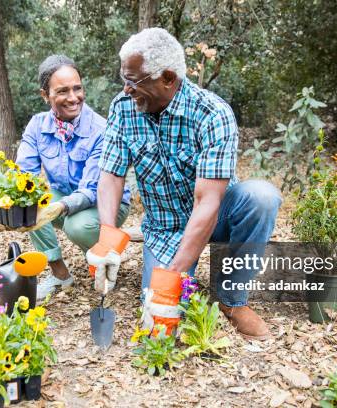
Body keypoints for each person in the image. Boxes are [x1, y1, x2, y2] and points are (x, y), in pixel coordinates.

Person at [85, 29, 281, 339]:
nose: (126, 89)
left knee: (262, 197)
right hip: (165, 227)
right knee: (161, 326)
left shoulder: (212, 113)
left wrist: (173, 276)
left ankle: (231, 300)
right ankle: (175, 285)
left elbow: (208, 203)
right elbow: (111, 174)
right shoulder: (123, 107)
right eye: (124, 79)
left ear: (167, 78)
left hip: (215, 218)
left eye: (134, 81)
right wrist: (108, 235)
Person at [0, 55, 131, 299]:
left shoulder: (101, 130)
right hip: (66, 198)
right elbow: (22, 177)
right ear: (45, 95)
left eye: (77, 88)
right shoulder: (37, 126)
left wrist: (59, 207)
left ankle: (104, 260)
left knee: (77, 226)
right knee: (27, 203)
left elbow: (93, 189)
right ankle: (60, 275)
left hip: (105, 203)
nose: (73, 98)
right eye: (63, 91)